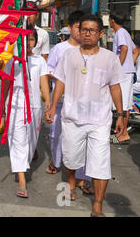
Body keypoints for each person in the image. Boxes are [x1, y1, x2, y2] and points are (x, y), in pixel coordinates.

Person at [45, 14, 125, 217]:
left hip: (100, 120)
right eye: (83, 30)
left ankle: (97, 204)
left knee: (100, 162)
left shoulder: (109, 58)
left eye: (91, 30)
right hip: (72, 117)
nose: (87, 34)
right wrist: (53, 106)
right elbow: (60, 81)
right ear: (78, 31)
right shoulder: (68, 55)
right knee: (71, 158)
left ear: (100, 33)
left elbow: (115, 86)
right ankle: (71, 181)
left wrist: (121, 115)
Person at [45, 10, 94, 194]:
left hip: (84, 105)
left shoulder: (92, 50)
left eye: (87, 29)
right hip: (61, 101)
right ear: (71, 27)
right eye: (79, 28)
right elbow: (49, 71)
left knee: (84, 140)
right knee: (56, 134)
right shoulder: (60, 49)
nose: (83, 32)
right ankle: (55, 161)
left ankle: (82, 178)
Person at [3, 27, 50, 198]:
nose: (27, 42)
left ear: (35, 42)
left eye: (30, 39)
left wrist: (49, 104)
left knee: (31, 141)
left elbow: (44, 83)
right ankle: (22, 178)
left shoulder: (40, 61)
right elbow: (6, 84)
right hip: (15, 106)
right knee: (17, 140)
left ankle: (21, 165)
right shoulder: (12, 61)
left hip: (35, 106)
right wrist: (2, 105)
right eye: (24, 39)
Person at [109, 11, 134, 144]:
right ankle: (123, 133)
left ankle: (121, 134)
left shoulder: (120, 33)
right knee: (126, 105)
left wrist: (117, 67)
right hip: (128, 72)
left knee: (122, 105)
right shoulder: (125, 32)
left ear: (112, 21)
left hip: (124, 72)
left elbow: (124, 49)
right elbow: (134, 50)